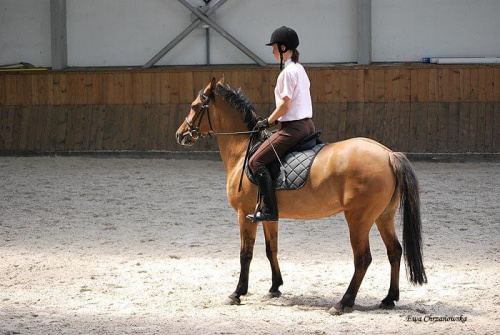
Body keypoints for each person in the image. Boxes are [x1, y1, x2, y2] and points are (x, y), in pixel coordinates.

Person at [247, 26, 315, 222]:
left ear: (284, 47)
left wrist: (267, 122)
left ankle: (269, 210)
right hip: (307, 125)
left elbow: (285, 106)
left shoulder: (287, 73)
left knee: (255, 161)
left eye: (275, 47)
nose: (272, 51)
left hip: (293, 128)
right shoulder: (300, 69)